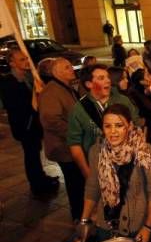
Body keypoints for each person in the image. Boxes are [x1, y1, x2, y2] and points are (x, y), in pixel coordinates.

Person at [77, 104, 151, 242]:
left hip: (136, 226)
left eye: (119, 125)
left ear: (129, 126)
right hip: (105, 224)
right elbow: (93, 187)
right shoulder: (97, 152)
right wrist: (84, 220)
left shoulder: (144, 152)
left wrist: (147, 227)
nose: (113, 131)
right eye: (108, 126)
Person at [0, 48, 59, 195]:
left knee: (35, 152)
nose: (26, 61)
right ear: (12, 63)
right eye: (22, 60)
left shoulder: (28, 77)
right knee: (31, 154)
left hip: (34, 124)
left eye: (26, 58)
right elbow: (16, 106)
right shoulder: (8, 82)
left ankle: (40, 177)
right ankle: (37, 186)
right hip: (24, 126)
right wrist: (34, 96)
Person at [67, 64, 140, 179]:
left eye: (107, 77)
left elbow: (137, 126)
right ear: (89, 84)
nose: (108, 81)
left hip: (127, 165)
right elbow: (74, 144)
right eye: (101, 78)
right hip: (99, 168)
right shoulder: (79, 109)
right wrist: (86, 172)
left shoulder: (123, 101)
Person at [38, 58, 85, 220]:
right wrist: (75, 133)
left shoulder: (65, 87)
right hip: (63, 148)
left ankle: (82, 216)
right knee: (75, 184)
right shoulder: (52, 91)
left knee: (78, 183)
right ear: (57, 73)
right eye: (67, 67)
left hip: (71, 145)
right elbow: (50, 120)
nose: (72, 69)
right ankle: (79, 219)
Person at [128, 69, 151, 165]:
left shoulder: (150, 91)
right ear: (141, 81)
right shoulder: (136, 94)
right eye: (147, 75)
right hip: (147, 132)